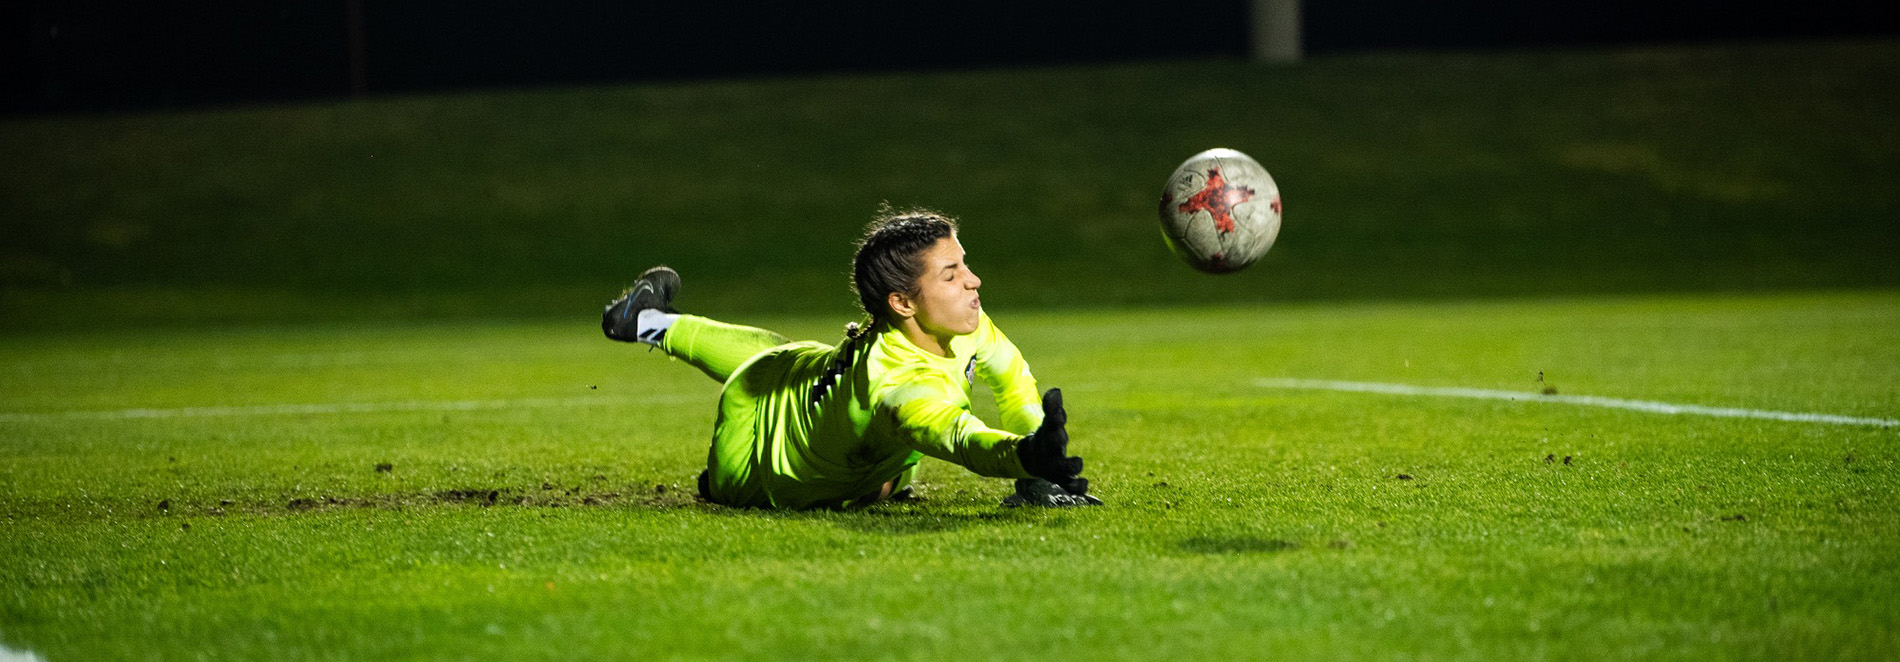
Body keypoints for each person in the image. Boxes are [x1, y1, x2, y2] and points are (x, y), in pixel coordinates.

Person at [602, 208, 1099, 509]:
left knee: (783, 357)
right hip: (762, 465)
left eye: (964, 264)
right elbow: (956, 437)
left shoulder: (959, 323)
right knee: (772, 387)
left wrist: (1036, 469)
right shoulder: (900, 389)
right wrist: (1025, 456)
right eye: (950, 275)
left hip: (811, 390)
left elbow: (1011, 374)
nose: (974, 281)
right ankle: (724, 483)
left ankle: (643, 321)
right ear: (902, 304)